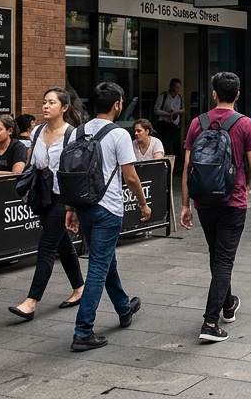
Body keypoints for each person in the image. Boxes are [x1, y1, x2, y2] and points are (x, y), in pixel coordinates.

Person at [65, 82, 151, 352]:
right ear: (117, 105)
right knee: (98, 268)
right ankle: (83, 331)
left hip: (83, 207)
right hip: (108, 209)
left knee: (106, 261)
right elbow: (131, 177)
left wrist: (70, 209)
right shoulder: (119, 135)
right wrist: (143, 204)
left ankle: (124, 309)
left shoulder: (76, 132)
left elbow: (69, 175)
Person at [181, 72, 251, 343]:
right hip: (233, 200)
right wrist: (246, 183)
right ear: (237, 95)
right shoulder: (245, 124)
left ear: (214, 94)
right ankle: (210, 322)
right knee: (224, 259)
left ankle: (228, 304)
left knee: (216, 254)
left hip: (203, 199)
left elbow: (187, 167)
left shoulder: (197, 123)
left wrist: (184, 204)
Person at [8, 88, 85, 322]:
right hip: (43, 196)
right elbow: (33, 162)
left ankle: (31, 302)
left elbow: (77, 170)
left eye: (51, 102)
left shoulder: (72, 134)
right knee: (63, 245)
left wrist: (74, 207)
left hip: (65, 198)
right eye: (44, 102)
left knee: (46, 246)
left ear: (64, 108)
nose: (45, 106)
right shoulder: (38, 131)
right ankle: (80, 288)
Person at [153, 79, 185, 156]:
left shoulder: (179, 97)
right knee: (165, 144)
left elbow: (183, 109)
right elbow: (156, 110)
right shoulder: (163, 96)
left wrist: (179, 112)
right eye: (175, 87)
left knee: (176, 145)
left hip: (175, 123)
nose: (176, 90)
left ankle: (178, 165)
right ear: (171, 86)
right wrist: (167, 114)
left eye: (178, 87)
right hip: (164, 123)